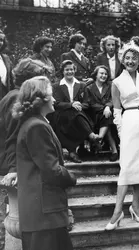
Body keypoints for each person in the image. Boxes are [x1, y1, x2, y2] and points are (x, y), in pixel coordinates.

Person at [12, 76, 76, 250]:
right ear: (40, 100)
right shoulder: (36, 126)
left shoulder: (34, 124)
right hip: (44, 215)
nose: (54, 99)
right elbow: (51, 170)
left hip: (43, 214)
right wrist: (71, 177)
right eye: (51, 94)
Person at [105, 42, 139, 230]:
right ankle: (117, 211)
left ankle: (135, 206)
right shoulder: (117, 82)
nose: (130, 61)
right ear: (122, 60)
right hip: (128, 124)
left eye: (134, 58)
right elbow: (117, 111)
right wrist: (121, 132)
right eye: (127, 58)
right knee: (127, 168)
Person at [0, 58, 52, 187]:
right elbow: (12, 136)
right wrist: (13, 169)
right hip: (9, 163)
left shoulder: (15, 96)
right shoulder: (16, 99)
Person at [52, 60, 99, 163]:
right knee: (73, 114)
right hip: (62, 115)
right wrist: (71, 105)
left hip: (79, 114)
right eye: (67, 70)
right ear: (63, 71)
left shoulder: (81, 85)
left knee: (76, 114)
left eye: (72, 69)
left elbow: (87, 103)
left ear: (75, 70)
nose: (70, 72)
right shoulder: (57, 86)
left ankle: (73, 151)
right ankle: (90, 135)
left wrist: (78, 105)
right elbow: (56, 103)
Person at [86, 65, 118, 161]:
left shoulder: (110, 85)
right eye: (101, 73)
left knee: (107, 117)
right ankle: (114, 150)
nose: (103, 76)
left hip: (107, 113)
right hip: (94, 114)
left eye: (105, 74)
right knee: (105, 117)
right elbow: (90, 103)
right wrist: (104, 108)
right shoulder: (89, 87)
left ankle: (99, 138)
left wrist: (108, 106)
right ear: (96, 75)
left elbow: (113, 98)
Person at [0, 30, 13, 100]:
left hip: (4, 98)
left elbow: (12, 80)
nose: (0, 42)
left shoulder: (6, 59)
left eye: (1, 40)